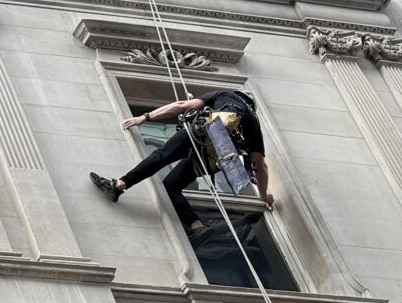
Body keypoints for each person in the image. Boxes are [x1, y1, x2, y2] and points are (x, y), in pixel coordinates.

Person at [90, 89, 273, 239]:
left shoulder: (225, 95)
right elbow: (260, 165)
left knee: (161, 155)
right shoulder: (254, 125)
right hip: (213, 157)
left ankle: (119, 184)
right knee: (171, 186)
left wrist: (145, 118)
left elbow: (181, 106)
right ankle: (197, 226)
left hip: (202, 133)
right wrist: (263, 196)